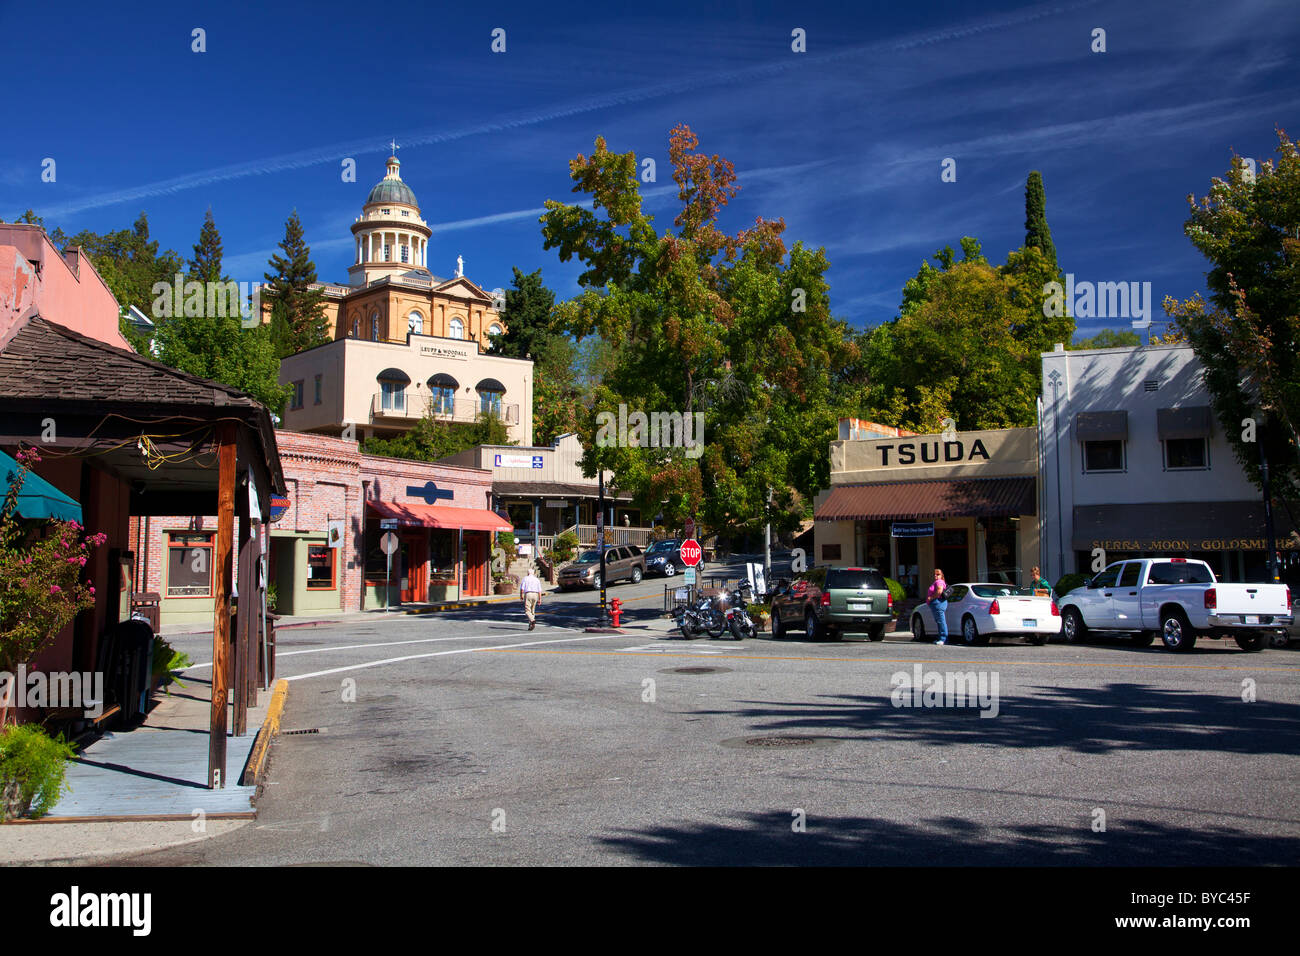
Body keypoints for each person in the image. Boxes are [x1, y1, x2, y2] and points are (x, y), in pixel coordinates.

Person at [927, 567, 949, 645]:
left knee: (941, 620)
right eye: (934, 574)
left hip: (938, 602)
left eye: (938, 574)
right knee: (939, 621)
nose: (936, 576)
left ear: (941, 575)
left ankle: (943, 638)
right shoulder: (937, 582)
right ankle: (941, 638)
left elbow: (939, 591)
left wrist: (931, 598)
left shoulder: (939, 582)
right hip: (937, 603)